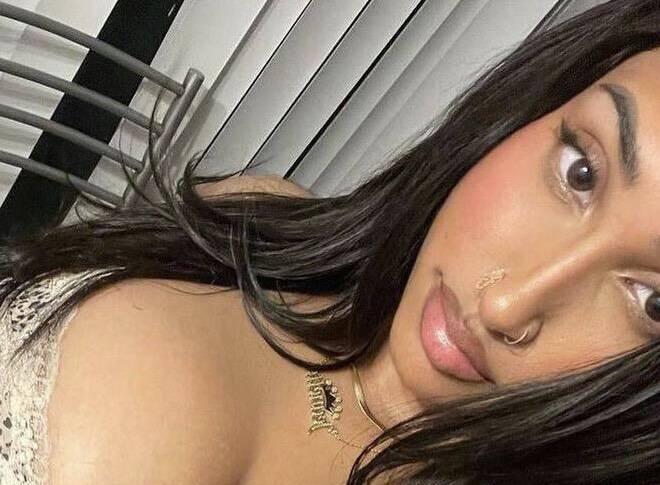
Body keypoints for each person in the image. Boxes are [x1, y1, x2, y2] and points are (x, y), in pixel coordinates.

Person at [1, 0, 659, 483]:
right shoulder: (260, 215)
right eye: (580, 172)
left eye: (653, 301)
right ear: (531, 110)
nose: (505, 305)